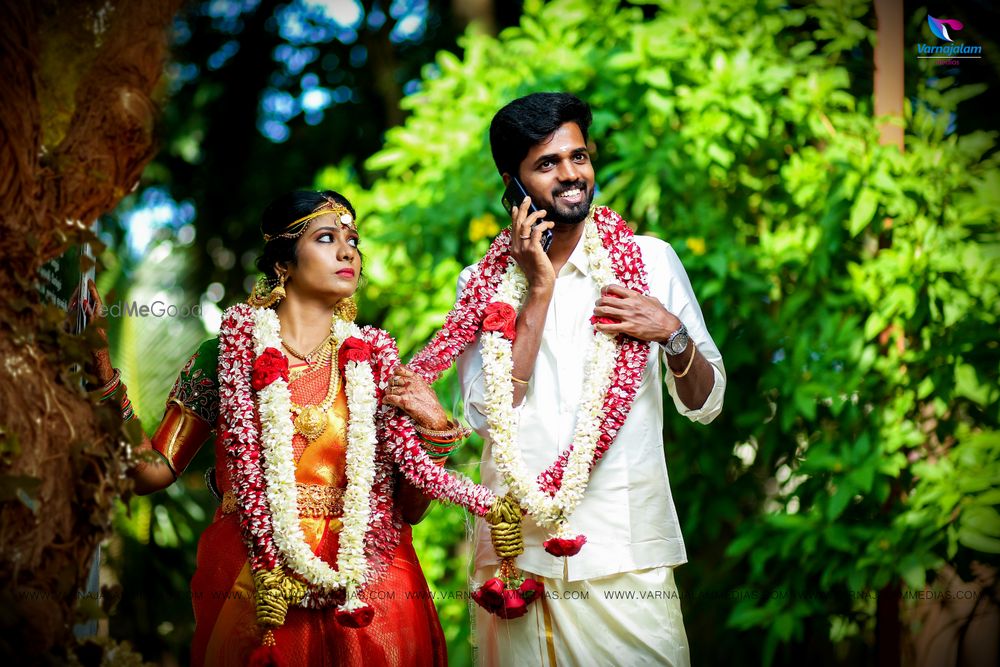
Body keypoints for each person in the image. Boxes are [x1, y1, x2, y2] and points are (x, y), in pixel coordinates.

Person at [82, 190, 483, 667]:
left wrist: (435, 426)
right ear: (283, 263)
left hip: (371, 593)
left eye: (353, 240)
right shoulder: (226, 355)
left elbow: (411, 509)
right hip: (256, 582)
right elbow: (152, 472)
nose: (348, 251)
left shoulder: (376, 367)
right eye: (327, 238)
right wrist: (102, 373)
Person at [455, 92, 726, 665]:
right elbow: (485, 414)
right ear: (514, 180)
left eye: (578, 157)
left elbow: (706, 402)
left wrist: (671, 331)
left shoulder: (649, 262)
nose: (570, 175)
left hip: (625, 549)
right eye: (546, 164)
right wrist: (540, 292)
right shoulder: (482, 284)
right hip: (518, 552)